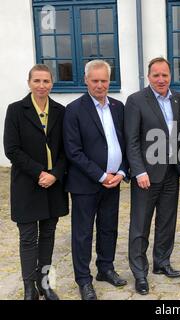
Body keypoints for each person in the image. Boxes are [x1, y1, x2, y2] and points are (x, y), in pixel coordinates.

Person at [63, 60, 128, 300]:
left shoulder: (118, 107)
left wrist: (121, 172)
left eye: (104, 80)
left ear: (109, 81)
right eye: (95, 80)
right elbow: (73, 150)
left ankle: (106, 268)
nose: (100, 85)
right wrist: (101, 175)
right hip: (86, 183)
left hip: (114, 182)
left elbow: (126, 143)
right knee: (82, 234)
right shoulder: (74, 109)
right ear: (86, 80)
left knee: (108, 228)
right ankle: (83, 279)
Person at [3, 64, 68, 300]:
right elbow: (12, 149)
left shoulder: (61, 111)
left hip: (53, 184)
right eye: (37, 81)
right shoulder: (15, 110)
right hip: (27, 184)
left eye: (46, 81)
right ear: (29, 82)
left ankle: (45, 284)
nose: (42, 86)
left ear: (52, 83)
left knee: (48, 235)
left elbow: (66, 150)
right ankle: (29, 287)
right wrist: (39, 172)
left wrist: (55, 174)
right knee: (28, 238)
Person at [124, 57, 180, 295]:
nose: (161, 79)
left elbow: (178, 133)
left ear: (170, 76)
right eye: (156, 75)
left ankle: (162, 263)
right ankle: (140, 273)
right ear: (148, 77)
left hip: (171, 171)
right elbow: (132, 140)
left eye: (165, 75)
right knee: (140, 224)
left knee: (167, 222)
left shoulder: (178, 98)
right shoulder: (136, 101)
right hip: (146, 175)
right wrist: (138, 170)